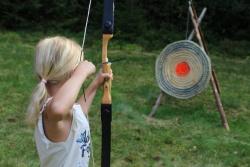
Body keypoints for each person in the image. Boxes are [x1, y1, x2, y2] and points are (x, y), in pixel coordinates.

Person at [26, 36, 112, 166]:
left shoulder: (64, 109)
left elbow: (78, 113)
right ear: (70, 71)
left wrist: (95, 83)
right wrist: (80, 74)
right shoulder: (51, 109)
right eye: (78, 66)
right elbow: (58, 110)